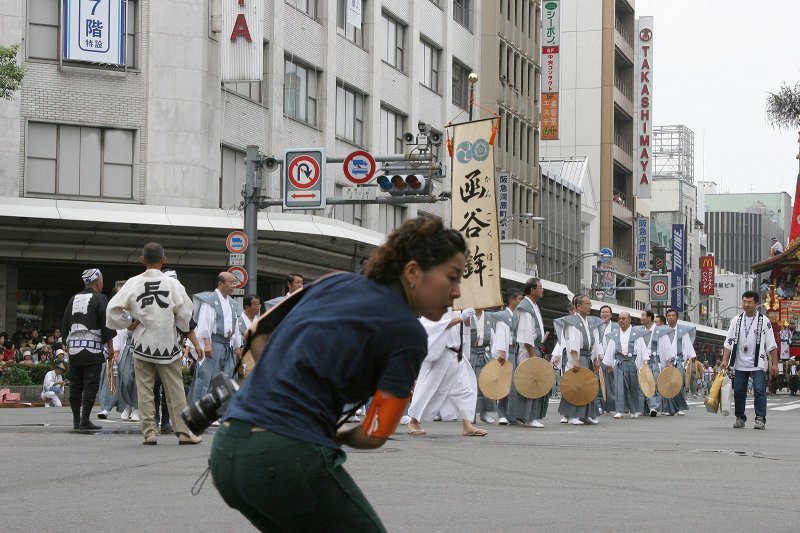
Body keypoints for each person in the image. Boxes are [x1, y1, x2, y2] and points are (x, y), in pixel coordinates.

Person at [209, 216, 467, 531]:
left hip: (227, 449)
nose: (457, 291)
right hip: (284, 455)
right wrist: (339, 434)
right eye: (452, 277)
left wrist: (282, 384)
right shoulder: (407, 331)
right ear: (412, 272)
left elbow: (256, 332)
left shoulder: (334, 281)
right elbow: (375, 433)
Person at [106, 242, 203, 445]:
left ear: (142, 259)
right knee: (175, 389)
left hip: (142, 342)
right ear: (164, 259)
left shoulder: (133, 283)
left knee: (144, 389)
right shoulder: (173, 284)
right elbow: (186, 314)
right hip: (168, 342)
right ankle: (184, 432)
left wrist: (129, 322)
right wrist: (178, 324)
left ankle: (149, 432)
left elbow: (112, 309)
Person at [406, 308, 487, 437]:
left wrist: (466, 316)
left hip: (457, 354)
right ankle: (413, 421)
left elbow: (465, 328)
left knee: (466, 389)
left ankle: (467, 425)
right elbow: (436, 326)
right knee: (428, 389)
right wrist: (460, 318)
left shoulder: (459, 307)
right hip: (441, 353)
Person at [62, 268, 116, 432]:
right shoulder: (101, 298)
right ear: (98, 282)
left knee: (76, 385)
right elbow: (106, 324)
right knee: (90, 384)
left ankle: (76, 420)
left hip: (74, 348)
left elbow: (65, 322)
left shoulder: (73, 298)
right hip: (92, 348)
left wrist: (66, 343)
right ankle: (85, 420)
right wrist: (111, 347)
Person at [720, 290, 778, 430]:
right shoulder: (736, 320)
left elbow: (771, 345)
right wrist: (725, 360)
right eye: (744, 302)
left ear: (756, 304)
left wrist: (775, 364)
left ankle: (760, 419)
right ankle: (740, 417)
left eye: (749, 302)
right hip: (740, 362)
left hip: (758, 363)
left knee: (759, 390)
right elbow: (728, 342)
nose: (746, 305)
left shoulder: (764, 321)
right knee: (739, 391)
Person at [187, 272, 242, 407]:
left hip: (227, 346)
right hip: (213, 343)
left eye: (234, 283)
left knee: (226, 378)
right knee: (207, 378)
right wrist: (207, 344)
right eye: (230, 282)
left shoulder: (233, 304)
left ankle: (219, 411)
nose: (233, 286)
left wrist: (237, 348)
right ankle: (201, 409)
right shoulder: (210, 300)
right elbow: (205, 323)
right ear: (221, 283)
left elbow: (234, 327)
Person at [508, 277, 550, 428]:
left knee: (532, 382)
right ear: (532, 290)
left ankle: (527, 415)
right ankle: (528, 417)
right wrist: (532, 354)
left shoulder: (533, 306)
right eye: (540, 287)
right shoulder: (526, 307)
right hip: (527, 350)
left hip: (533, 348)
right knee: (529, 382)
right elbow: (526, 334)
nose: (542, 290)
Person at [556, 294, 601, 425]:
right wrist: (575, 360)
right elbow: (573, 343)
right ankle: (572, 415)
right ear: (578, 306)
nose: (589, 306)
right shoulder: (573, 321)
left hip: (588, 356)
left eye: (590, 304)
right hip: (578, 357)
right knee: (576, 386)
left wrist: (596, 359)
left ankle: (585, 414)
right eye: (587, 304)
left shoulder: (590, 322)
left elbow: (595, 342)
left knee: (587, 386)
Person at [603, 312, 644, 418]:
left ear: (629, 320)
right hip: (619, 363)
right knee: (619, 387)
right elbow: (610, 350)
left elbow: (641, 350)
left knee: (633, 387)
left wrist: (642, 364)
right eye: (619, 319)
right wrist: (609, 365)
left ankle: (634, 410)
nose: (621, 320)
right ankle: (620, 410)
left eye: (624, 318)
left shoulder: (637, 334)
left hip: (632, 363)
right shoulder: (615, 335)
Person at [492, 288, 523, 425]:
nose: (521, 301)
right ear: (511, 300)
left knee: (515, 385)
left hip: (517, 351)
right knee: (505, 383)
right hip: (507, 351)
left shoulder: (519, 315)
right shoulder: (503, 316)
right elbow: (501, 335)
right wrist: (502, 352)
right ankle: (502, 414)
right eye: (519, 299)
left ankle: (512, 414)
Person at [658, 308, 697, 416]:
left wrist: (691, 358)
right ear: (666, 318)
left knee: (679, 384)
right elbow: (660, 347)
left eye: (673, 315)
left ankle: (680, 407)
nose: (671, 317)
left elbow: (687, 345)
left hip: (679, 360)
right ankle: (668, 408)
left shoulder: (682, 331)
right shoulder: (662, 331)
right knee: (667, 385)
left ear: (677, 317)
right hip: (667, 361)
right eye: (669, 316)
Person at [469, 308, 496, 424]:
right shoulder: (468, 316)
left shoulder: (490, 316)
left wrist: (494, 355)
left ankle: (484, 413)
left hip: (485, 353)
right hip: (471, 353)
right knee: (472, 385)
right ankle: (471, 414)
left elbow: (493, 338)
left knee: (486, 384)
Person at [594, 305, 617, 415]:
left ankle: (609, 406)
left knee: (610, 384)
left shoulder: (616, 327)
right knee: (598, 382)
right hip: (599, 359)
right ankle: (599, 405)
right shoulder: (596, 327)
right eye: (602, 312)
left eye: (607, 312)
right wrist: (596, 357)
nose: (604, 314)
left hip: (611, 359)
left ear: (611, 314)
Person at [237, 294, 262, 384]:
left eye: (259, 305)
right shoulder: (238, 322)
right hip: (243, 356)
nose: (258, 307)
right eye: (256, 305)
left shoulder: (261, 321)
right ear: (247, 307)